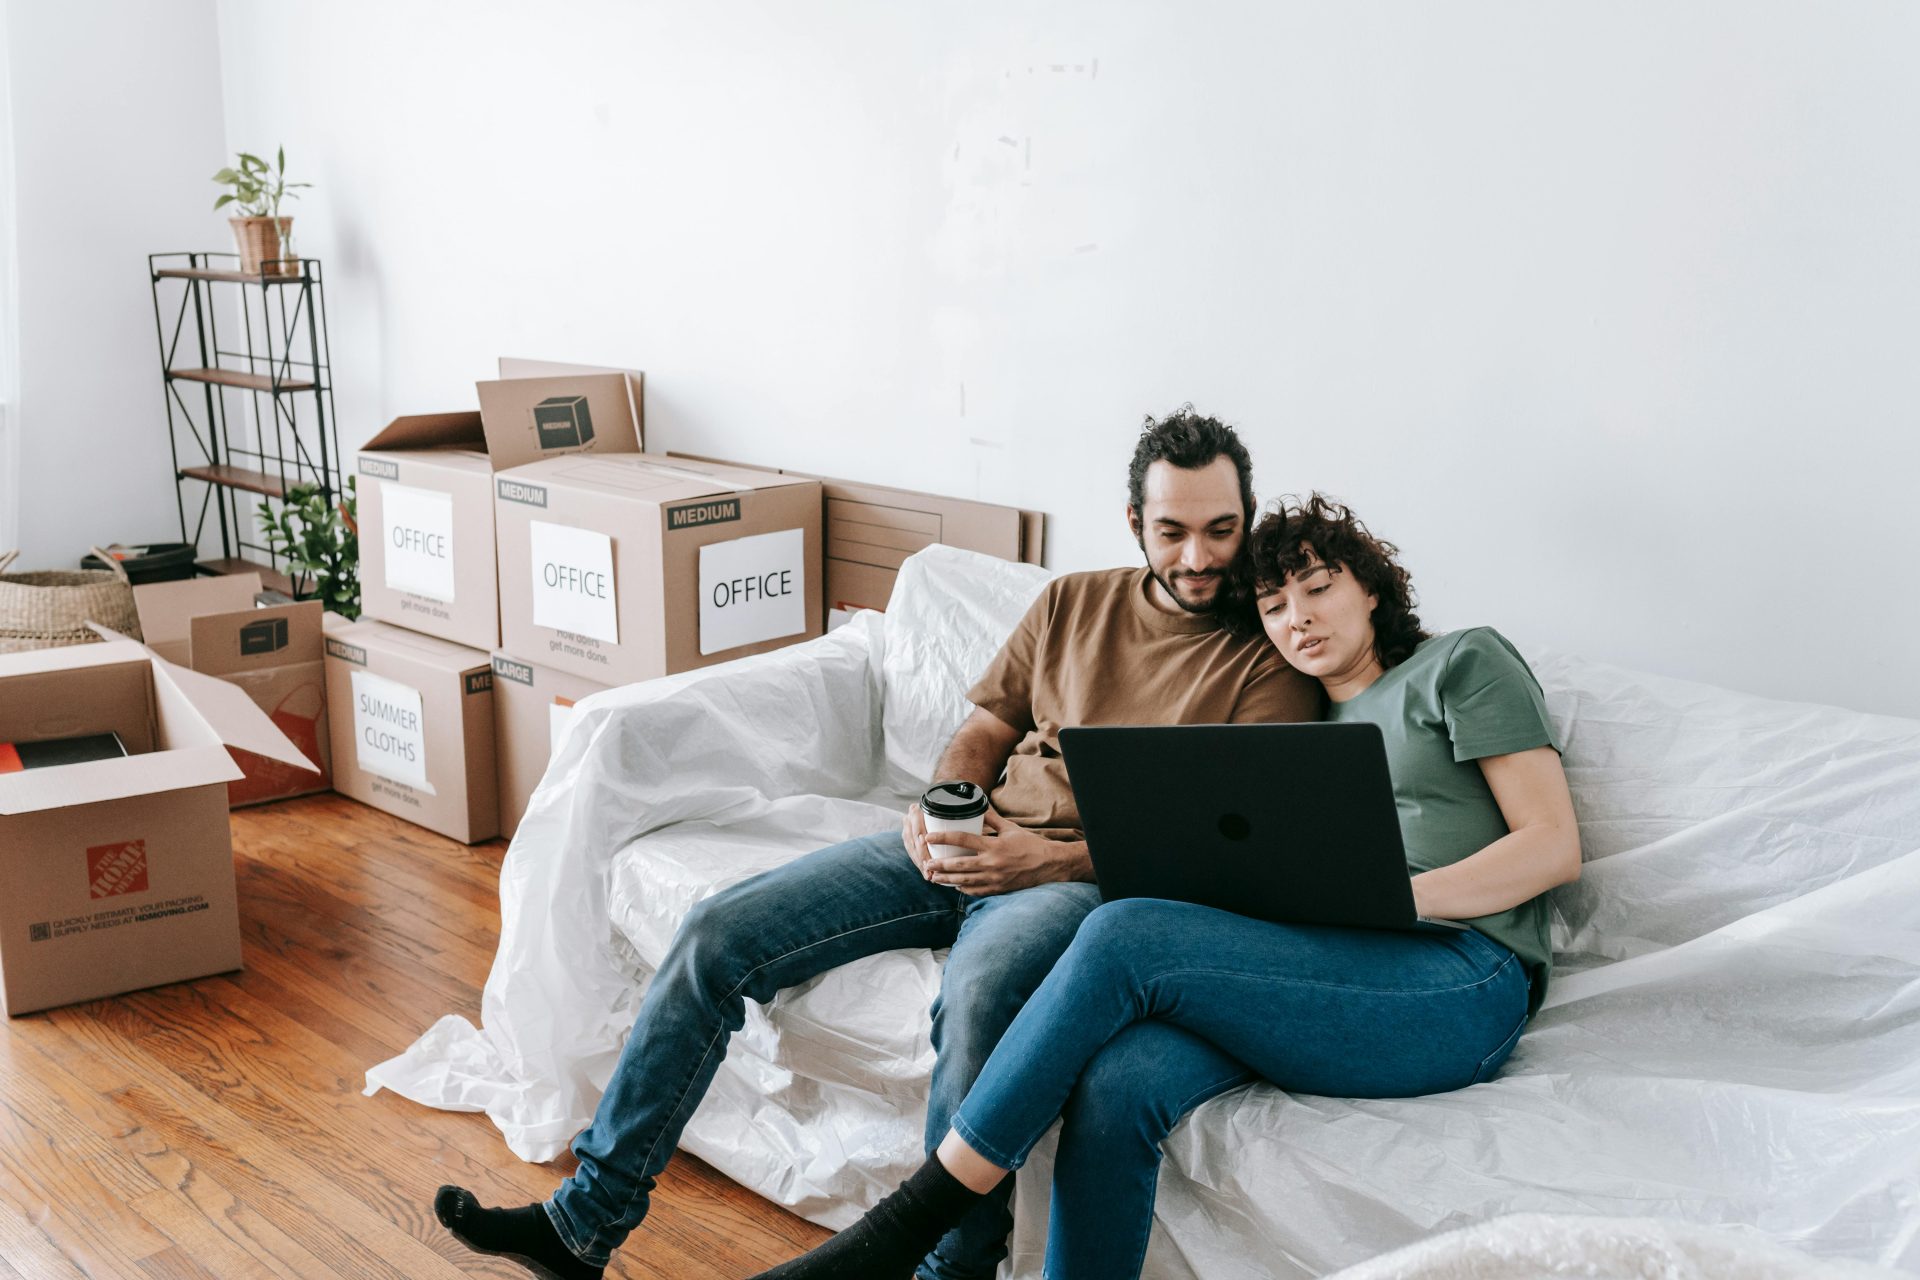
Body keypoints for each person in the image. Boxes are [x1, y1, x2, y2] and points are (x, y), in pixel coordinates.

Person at [433, 411, 1321, 1280]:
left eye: (1221, 530)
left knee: (976, 1003)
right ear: (1135, 522)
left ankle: (947, 1270)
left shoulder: (1271, 657)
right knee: (717, 934)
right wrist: (945, 802)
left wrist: (1046, 862)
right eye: (1173, 531)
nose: (1199, 558)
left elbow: (1225, 845)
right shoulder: (1072, 603)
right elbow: (986, 725)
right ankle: (584, 1221)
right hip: (966, 841)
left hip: (1076, 884)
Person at [747, 493, 1583, 1280]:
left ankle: (909, 1224)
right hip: (1332, 961)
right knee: (1119, 1081)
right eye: (1274, 606)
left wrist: (1398, 901)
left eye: (1319, 588)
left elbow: (1551, 848)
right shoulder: (1292, 730)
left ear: (1371, 587)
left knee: (1125, 932)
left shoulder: (1462, 662)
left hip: (1460, 977)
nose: (1298, 618)